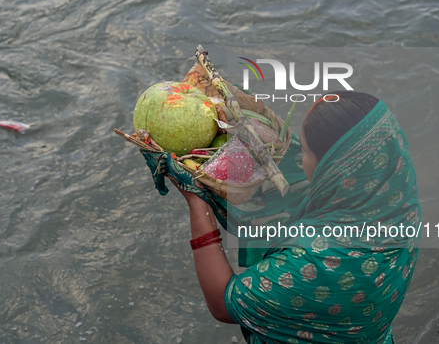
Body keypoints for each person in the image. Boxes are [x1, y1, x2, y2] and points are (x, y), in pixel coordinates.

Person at [174, 91, 421, 344]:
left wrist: (198, 204)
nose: (298, 159)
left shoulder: (310, 261)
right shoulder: (399, 204)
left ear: (333, 169)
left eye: (303, 151)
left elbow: (222, 303)